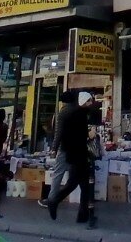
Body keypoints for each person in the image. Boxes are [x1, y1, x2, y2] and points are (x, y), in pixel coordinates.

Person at [45, 92, 94, 224]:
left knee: (81, 184)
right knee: (75, 183)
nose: (91, 103)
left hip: (73, 152)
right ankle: (55, 201)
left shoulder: (68, 112)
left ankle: (83, 215)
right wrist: (90, 135)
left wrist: (56, 147)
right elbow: (78, 135)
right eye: (89, 101)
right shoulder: (78, 114)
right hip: (77, 153)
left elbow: (61, 133)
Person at [40, 91, 76, 208]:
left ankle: (52, 199)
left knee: (58, 173)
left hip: (65, 148)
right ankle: (85, 198)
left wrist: (54, 148)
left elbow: (58, 132)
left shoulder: (63, 113)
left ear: (63, 101)